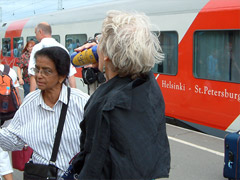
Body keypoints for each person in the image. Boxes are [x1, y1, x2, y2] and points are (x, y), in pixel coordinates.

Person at [68, 10, 170, 179]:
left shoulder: (105, 106)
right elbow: (119, 81)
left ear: (107, 54)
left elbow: (95, 164)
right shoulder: (147, 85)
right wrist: (104, 60)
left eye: (100, 42)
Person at [0, 46, 89, 179]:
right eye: (37, 69)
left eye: (47, 71)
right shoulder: (30, 102)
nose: (39, 75)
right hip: (41, 174)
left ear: (61, 76)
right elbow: (14, 138)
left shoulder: (81, 103)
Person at [28, 22, 77, 92]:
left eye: (36, 33)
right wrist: (74, 93)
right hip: (61, 92)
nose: (35, 36)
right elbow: (70, 74)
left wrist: (31, 96)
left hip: (44, 93)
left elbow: (33, 73)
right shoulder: (62, 48)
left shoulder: (37, 48)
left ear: (40, 32)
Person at [0, 61, 21, 180]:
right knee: (4, 146)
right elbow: (16, 94)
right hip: (8, 114)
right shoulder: (10, 71)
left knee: (1, 151)